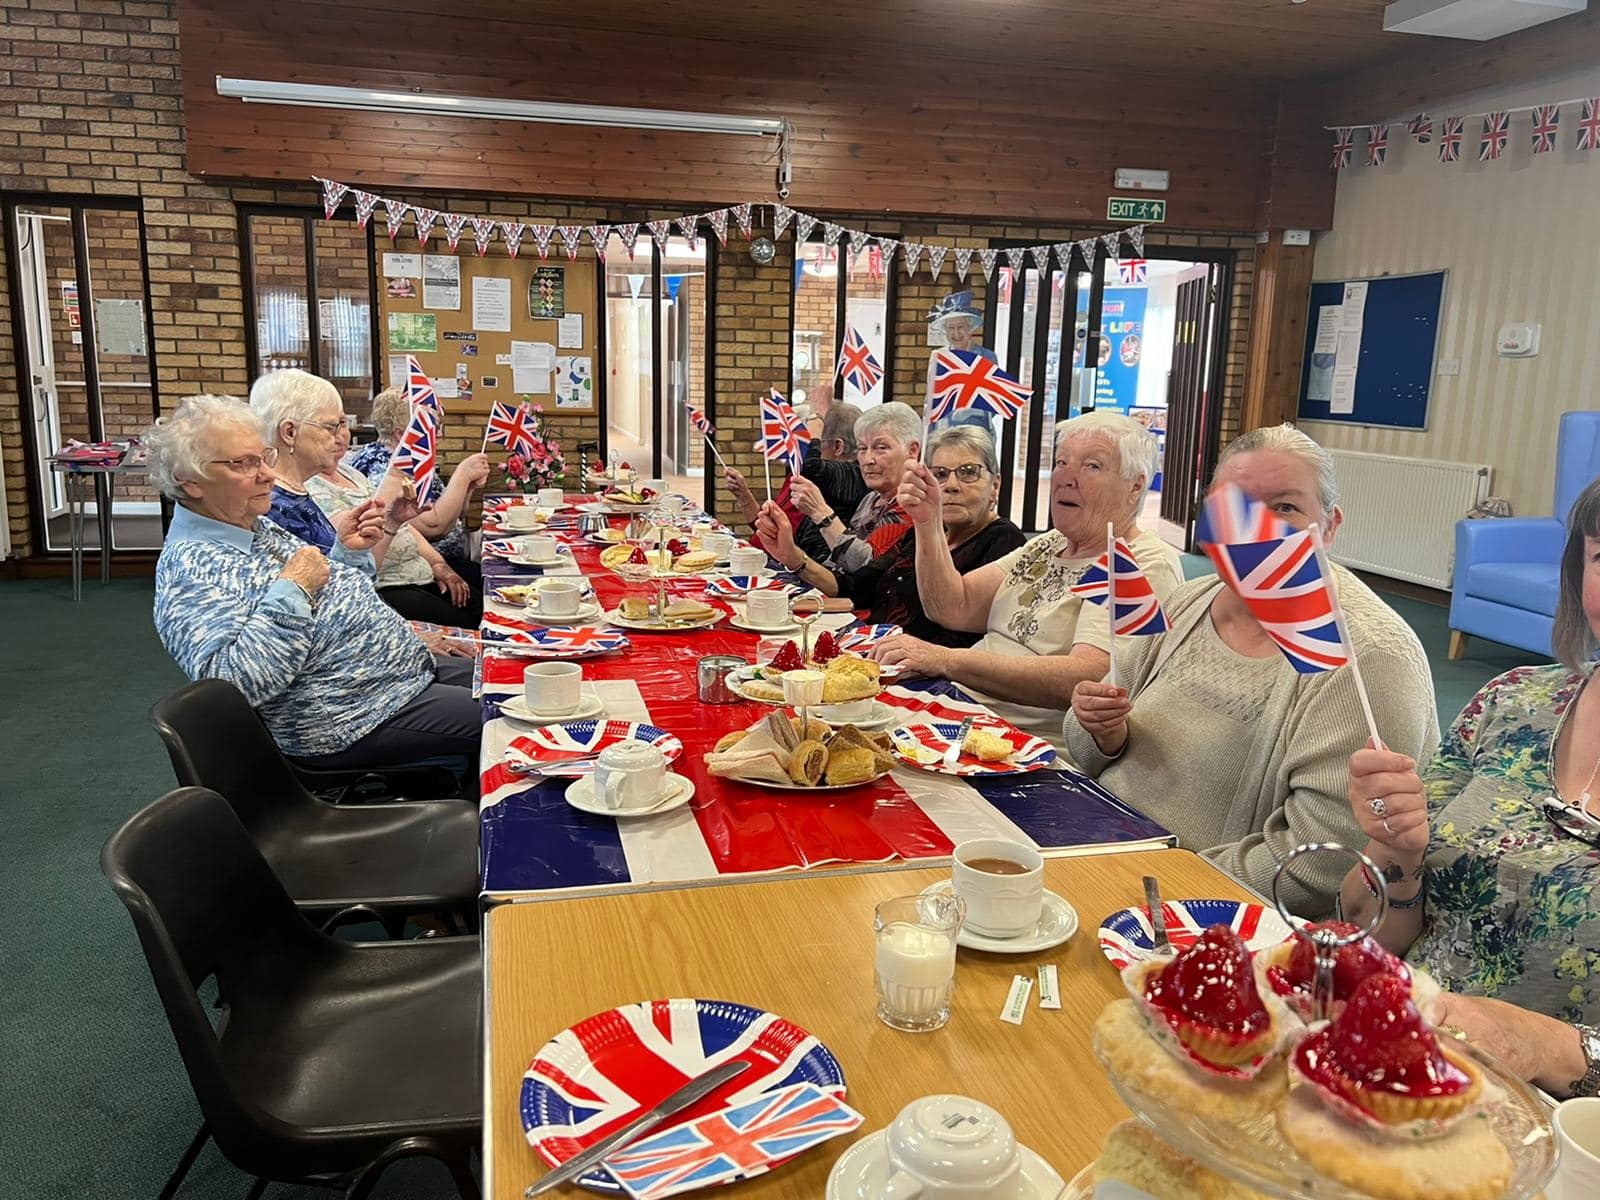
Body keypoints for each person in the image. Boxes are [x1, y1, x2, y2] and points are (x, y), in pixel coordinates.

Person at [1066, 424, 1438, 918]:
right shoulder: (1192, 601)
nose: (1256, 531)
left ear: (1328, 527)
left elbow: (1314, 869)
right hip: (1093, 843)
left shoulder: (1367, 658)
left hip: (1189, 912)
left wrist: (1149, 889)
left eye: (1284, 507)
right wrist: (1101, 731)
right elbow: (1084, 747)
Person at [1332, 477, 1600, 1093]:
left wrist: (1548, 1047)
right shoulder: (1509, 703)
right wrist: (1397, 850)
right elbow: (1376, 930)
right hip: (1392, 1061)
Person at [144, 394, 481, 772]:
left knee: (515, 677)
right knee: (520, 716)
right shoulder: (189, 571)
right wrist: (294, 587)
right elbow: (235, 686)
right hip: (350, 715)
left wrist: (349, 555)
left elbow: (327, 600)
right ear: (189, 482)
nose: (268, 475)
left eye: (264, 458)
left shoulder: (251, 524)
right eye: (244, 464)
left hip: (394, 676)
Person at [875, 411, 1181, 749]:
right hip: (958, 714)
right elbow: (951, 606)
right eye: (1062, 462)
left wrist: (946, 660)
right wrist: (928, 521)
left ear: (1136, 485)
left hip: (1021, 749)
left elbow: (1088, 677)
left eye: (1092, 466)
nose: (1066, 477)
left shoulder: (1138, 560)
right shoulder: (1048, 543)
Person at [250, 370, 480, 625]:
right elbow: (317, 612)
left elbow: (356, 579)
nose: (340, 436)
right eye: (330, 426)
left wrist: (391, 522)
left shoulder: (304, 490)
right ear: (290, 432)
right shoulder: (274, 506)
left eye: (343, 425)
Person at [757, 426, 1025, 645]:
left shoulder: (1006, 543)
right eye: (940, 475)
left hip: (924, 678)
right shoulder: (923, 532)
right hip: (867, 648)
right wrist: (792, 556)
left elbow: (961, 632)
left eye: (968, 472)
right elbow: (857, 587)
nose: (951, 486)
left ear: (995, 486)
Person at [346, 385, 491, 583]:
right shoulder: (384, 469)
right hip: (423, 570)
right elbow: (432, 526)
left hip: (448, 558)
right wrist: (462, 475)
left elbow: (455, 517)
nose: (439, 435)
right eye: (432, 427)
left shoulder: (415, 461)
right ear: (401, 434)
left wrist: (467, 489)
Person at [770, 400, 921, 574]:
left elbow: (864, 567)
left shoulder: (912, 504)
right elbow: (837, 567)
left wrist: (821, 513)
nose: (868, 459)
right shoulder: (871, 499)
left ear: (912, 451)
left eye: (881, 448)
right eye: (862, 449)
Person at [723, 403, 865, 562]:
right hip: (760, 560)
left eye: (809, 443)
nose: (797, 451)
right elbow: (768, 530)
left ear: (837, 447)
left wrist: (816, 414)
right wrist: (744, 496)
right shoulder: (800, 477)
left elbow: (812, 466)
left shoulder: (850, 477)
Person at [924, 291, 997, 436]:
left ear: (970, 329)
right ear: (945, 330)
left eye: (961, 327)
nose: (956, 333)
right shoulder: (938, 357)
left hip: (976, 431)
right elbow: (931, 400)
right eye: (951, 328)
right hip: (944, 431)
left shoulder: (987, 357)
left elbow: (994, 400)